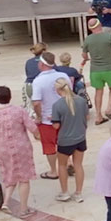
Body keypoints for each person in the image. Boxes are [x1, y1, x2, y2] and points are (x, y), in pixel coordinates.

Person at [0, 86, 40, 217]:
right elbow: (32, 127)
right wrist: (38, 136)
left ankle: (6, 203)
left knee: (9, 174)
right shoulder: (19, 111)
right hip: (21, 147)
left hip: (2, 149)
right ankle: (23, 209)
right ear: (10, 96)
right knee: (24, 178)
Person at [81, 18, 111, 125]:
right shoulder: (109, 37)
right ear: (100, 25)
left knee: (98, 91)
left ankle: (98, 115)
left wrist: (86, 59)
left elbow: (84, 54)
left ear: (90, 29)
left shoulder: (88, 39)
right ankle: (108, 109)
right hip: (109, 69)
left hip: (95, 70)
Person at [30, 52, 71, 181]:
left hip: (48, 118)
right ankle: (68, 163)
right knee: (64, 142)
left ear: (42, 64)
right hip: (65, 116)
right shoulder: (63, 75)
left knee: (49, 146)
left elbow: (36, 102)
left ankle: (54, 170)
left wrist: (39, 116)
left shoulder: (38, 81)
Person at [51, 77, 89, 202]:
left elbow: (56, 125)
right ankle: (79, 193)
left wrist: (52, 119)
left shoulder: (57, 105)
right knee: (78, 165)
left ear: (57, 89)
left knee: (62, 165)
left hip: (65, 140)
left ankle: (65, 192)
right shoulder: (81, 101)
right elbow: (87, 116)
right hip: (80, 137)